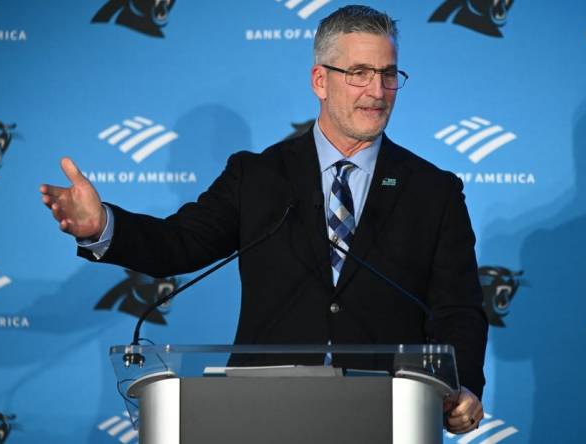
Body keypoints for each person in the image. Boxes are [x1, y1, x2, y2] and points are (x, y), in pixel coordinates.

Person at [40, 5, 487, 434]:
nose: (376, 91)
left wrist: (462, 384)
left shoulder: (434, 190)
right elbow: (179, 243)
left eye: (388, 74)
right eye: (359, 74)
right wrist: (103, 225)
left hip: (389, 416)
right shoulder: (258, 176)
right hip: (263, 414)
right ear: (320, 80)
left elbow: (458, 308)